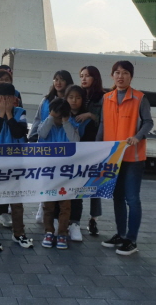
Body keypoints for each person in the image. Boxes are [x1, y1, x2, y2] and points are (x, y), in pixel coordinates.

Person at [99, 61, 153, 256]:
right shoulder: (107, 98)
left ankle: (131, 239)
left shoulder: (139, 98)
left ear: (131, 76)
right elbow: (103, 124)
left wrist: (137, 137)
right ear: (112, 75)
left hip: (133, 157)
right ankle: (121, 235)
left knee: (132, 198)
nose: (120, 76)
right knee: (117, 197)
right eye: (117, 72)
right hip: (113, 157)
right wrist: (96, 148)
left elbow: (148, 122)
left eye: (125, 73)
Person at [0, 82, 33, 251]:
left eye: (8, 98)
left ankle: (19, 233)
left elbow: (19, 132)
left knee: (16, 201)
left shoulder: (20, 113)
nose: (4, 101)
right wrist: (1, 115)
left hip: (15, 163)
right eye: (1, 98)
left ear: (14, 99)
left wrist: (9, 114)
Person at [38, 98, 80, 250]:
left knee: (65, 206)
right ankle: (49, 232)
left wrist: (66, 122)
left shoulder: (71, 125)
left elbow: (75, 141)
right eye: (55, 115)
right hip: (49, 173)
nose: (57, 119)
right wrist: (50, 117)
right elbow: (41, 134)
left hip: (66, 174)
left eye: (60, 116)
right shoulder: (46, 123)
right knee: (48, 206)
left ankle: (62, 233)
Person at [70, 66, 106, 238]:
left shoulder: (103, 97)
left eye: (88, 76)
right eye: (81, 75)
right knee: (77, 182)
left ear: (95, 78)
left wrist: (91, 115)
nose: (84, 79)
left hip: (96, 145)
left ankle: (93, 219)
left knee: (94, 184)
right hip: (79, 144)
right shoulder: (79, 95)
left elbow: (105, 121)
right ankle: (73, 219)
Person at [65, 84, 101, 241]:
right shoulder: (60, 116)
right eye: (71, 97)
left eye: (78, 97)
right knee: (60, 193)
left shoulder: (87, 120)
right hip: (61, 163)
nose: (74, 100)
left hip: (80, 163)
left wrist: (92, 117)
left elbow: (89, 142)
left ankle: (75, 223)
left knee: (76, 194)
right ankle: (58, 222)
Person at [29, 70, 74, 142]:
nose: (58, 83)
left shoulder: (72, 101)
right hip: (46, 142)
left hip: (66, 142)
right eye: (56, 80)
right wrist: (32, 137)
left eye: (62, 80)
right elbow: (38, 120)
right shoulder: (45, 100)